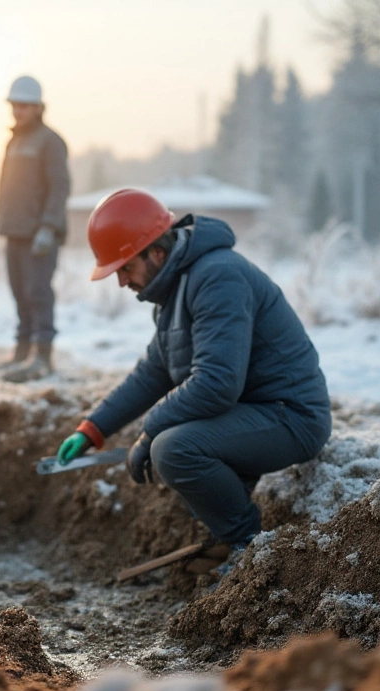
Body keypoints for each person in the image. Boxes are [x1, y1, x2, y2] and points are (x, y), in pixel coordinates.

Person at [54, 189, 332, 569]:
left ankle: (248, 547)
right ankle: (228, 537)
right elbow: (153, 372)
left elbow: (216, 383)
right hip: (253, 411)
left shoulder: (218, 278)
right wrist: (92, 430)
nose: (121, 281)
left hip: (291, 416)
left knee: (173, 448)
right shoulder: (177, 289)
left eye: (125, 267)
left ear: (157, 252)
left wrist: (150, 431)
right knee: (173, 441)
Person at [0, 75, 70, 383]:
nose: (18, 111)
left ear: (39, 107)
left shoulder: (50, 141)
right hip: (15, 230)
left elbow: (59, 186)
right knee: (19, 294)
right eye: (15, 105)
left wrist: (48, 226)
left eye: (25, 105)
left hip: (39, 234)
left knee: (37, 293)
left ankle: (42, 356)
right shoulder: (14, 141)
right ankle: (22, 351)